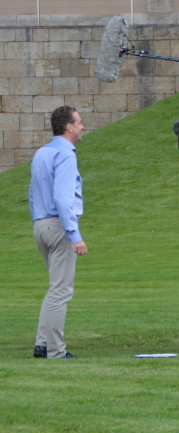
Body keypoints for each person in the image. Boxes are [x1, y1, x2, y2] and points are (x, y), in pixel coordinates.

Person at [28, 106, 87, 359]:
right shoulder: (65, 155)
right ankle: (55, 351)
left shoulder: (42, 152)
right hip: (58, 226)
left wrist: (38, 222)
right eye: (80, 122)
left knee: (55, 289)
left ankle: (42, 345)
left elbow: (32, 195)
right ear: (69, 127)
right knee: (62, 291)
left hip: (41, 225)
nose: (83, 126)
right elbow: (63, 200)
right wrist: (75, 235)